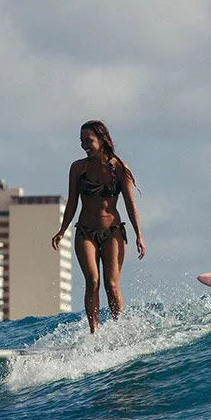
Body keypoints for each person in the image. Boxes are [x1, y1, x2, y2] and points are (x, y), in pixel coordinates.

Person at [52, 120, 145, 332]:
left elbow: (131, 205)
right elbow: (73, 202)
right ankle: (94, 332)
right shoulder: (77, 168)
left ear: (102, 140)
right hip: (85, 232)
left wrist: (139, 235)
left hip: (113, 232)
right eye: (81, 140)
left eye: (89, 140)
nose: (84, 145)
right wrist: (62, 230)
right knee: (92, 281)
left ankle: (118, 329)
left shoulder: (119, 168)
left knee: (111, 285)